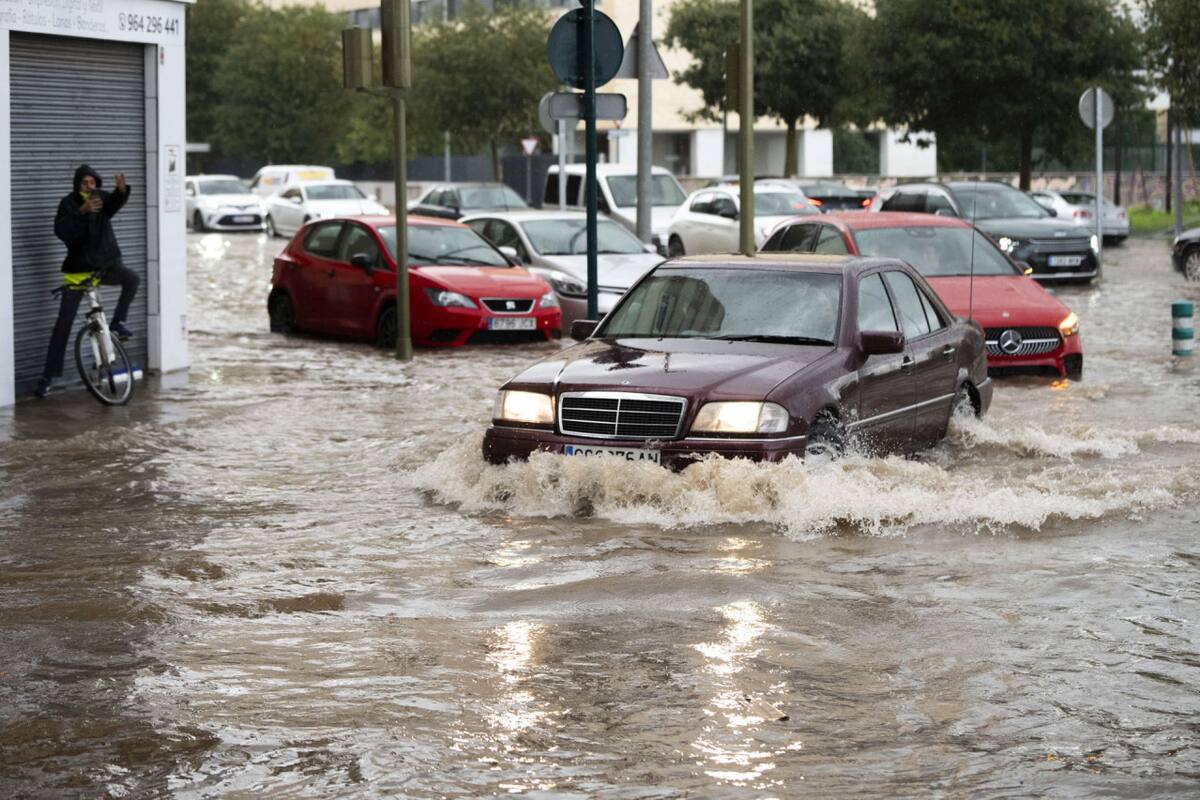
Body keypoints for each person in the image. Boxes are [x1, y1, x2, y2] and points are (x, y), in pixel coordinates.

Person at [34, 165, 138, 398]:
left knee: (131, 279)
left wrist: (121, 192)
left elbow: (112, 206)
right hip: (78, 271)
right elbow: (62, 232)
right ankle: (47, 377)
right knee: (64, 324)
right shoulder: (68, 204)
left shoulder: (100, 198)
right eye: (85, 183)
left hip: (104, 265)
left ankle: (117, 323)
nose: (90, 186)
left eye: (93, 182)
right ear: (77, 184)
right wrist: (82, 211)